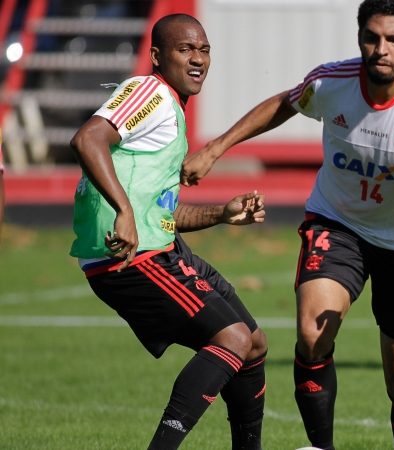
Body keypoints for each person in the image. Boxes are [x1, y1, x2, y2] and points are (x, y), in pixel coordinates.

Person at [181, 1, 394, 448]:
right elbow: (284, 103)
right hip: (337, 223)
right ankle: (321, 447)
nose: (381, 49)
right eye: (371, 37)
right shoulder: (330, 82)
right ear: (359, 35)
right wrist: (216, 147)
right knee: (311, 333)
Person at [69, 14, 268, 450]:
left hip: (159, 246)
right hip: (126, 256)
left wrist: (221, 213)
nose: (197, 59)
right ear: (158, 56)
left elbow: (162, 214)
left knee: (252, 342)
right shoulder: (148, 91)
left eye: (204, 50)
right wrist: (121, 210)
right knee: (232, 338)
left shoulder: (170, 110)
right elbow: (87, 139)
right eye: (185, 50)